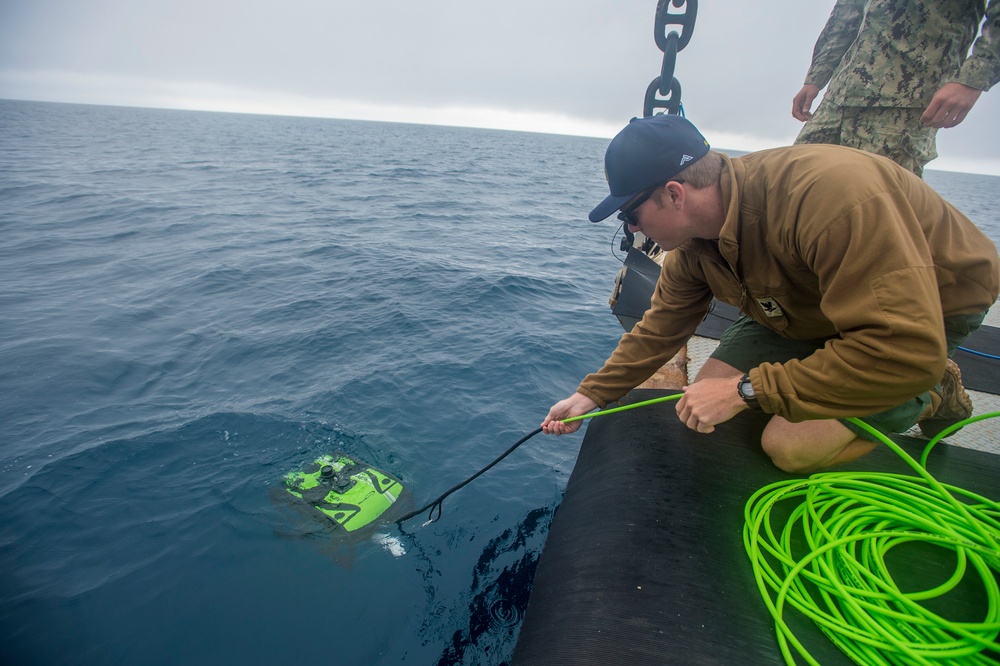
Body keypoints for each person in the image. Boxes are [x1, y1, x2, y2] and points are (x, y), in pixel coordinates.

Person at [541, 114, 999, 473]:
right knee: (700, 405)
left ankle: (932, 389)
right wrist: (591, 395)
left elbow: (904, 347)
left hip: (926, 311)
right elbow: (659, 328)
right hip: (806, 306)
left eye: (631, 216)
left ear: (675, 194)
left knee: (787, 447)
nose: (633, 229)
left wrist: (745, 390)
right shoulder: (694, 247)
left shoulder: (829, 198)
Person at [791, 0, 1000, 177]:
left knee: (874, 204)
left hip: (906, 103)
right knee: (793, 185)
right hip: (838, 98)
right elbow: (846, 14)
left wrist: (972, 79)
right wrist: (816, 77)